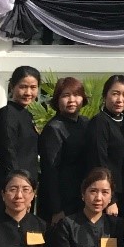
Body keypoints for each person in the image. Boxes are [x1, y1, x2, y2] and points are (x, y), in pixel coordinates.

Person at [83, 76, 124, 221]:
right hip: (107, 196)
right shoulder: (99, 123)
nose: (120, 100)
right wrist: (110, 199)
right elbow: (99, 161)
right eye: (115, 93)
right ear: (105, 95)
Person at [37, 77, 87, 221]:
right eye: (65, 95)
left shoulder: (85, 123)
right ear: (57, 100)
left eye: (77, 95)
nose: (72, 100)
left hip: (81, 197)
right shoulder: (54, 128)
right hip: (61, 201)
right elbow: (49, 171)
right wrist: (56, 209)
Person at [0, 66, 41, 195]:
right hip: (11, 187)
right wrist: (19, 187)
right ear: (12, 86)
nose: (28, 92)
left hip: (26, 185)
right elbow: (8, 152)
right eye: (23, 87)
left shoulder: (27, 115)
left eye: (33, 87)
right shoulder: (7, 113)